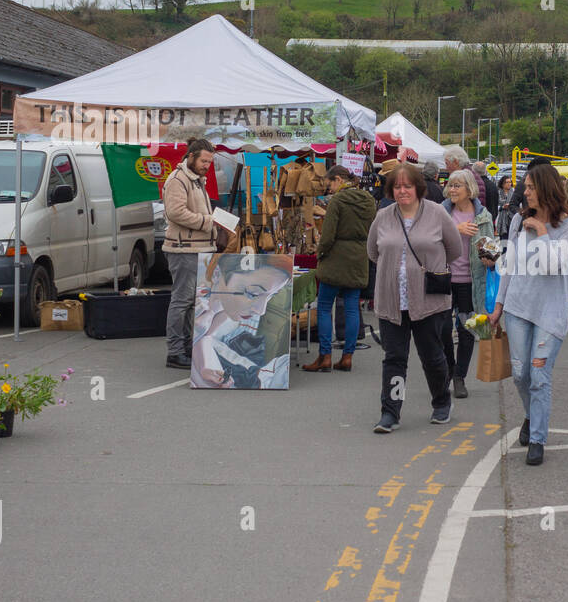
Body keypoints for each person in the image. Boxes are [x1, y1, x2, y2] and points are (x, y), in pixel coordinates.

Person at [490, 164, 568, 466]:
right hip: (517, 308)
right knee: (520, 373)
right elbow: (509, 266)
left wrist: (541, 231)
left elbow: (553, 264)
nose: (524, 193)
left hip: (549, 313)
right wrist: (499, 305)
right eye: (524, 187)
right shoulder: (517, 220)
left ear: (545, 189)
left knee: (539, 375)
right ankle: (532, 415)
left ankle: (538, 437)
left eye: (529, 187)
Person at [366, 163, 464, 432]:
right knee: (394, 359)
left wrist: (426, 268)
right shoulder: (383, 216)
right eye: (397, 187)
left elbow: (453, 249)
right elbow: (373, 252)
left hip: (428, 301)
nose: (402, 191)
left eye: (407, 186)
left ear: (418, 187)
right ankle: (391, 412)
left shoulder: (436, 213)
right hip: (392, 301)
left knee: (432, 356)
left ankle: (441, 401)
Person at [302, 165, 377, 373]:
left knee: (325, 307)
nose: (329, 189)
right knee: (352, 307)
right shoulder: (369, 200)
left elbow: (327, 236)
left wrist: (320, 253)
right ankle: (347, 357)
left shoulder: (338, 201)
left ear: (337, 179)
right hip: (358, 256)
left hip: (335, 257)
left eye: (329, 184)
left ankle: (325, 356)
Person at [192, 253, 294, 388]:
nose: (261, 311)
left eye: (270, 297)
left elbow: (206, 336)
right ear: (217, 274)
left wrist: (204, 367)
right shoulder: (197, 305)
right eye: (253, 293)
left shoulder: (223, 307)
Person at [162, 138, 220, 369]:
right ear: (192, 156)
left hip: (198, 247)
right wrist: (209, 221)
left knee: (192, 302)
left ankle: (185, 347)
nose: (207, 165)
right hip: (184, 249)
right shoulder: (179, 179)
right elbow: (176, 213)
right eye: (204, 160)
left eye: (210, 162)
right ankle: (175, 351)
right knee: (182, 300)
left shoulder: (196, 180)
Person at [441, 169, 494, 399]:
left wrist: (490, 257)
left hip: (471, 283)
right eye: (450, 185)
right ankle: (448, 370)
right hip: (442, 279)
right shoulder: (440, 212)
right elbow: (428, 239)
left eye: (457, 186)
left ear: (469, 189)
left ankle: (459, 376)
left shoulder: (483, 216)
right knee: (441, 330)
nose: (452, 190)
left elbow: (491, 250)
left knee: (467, 331)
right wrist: (456, 229)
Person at [496, 175, 515, 239]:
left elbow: (518, 204)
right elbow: (495, 206)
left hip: (512, 218)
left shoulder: (514, 193)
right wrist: (502, 207)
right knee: (503, 239)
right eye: (507, 182)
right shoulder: (498, 193)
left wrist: (511, 206)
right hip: (501, 218)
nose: (509, 184)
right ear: (502, 184)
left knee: (511, 238)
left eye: (510, 182)